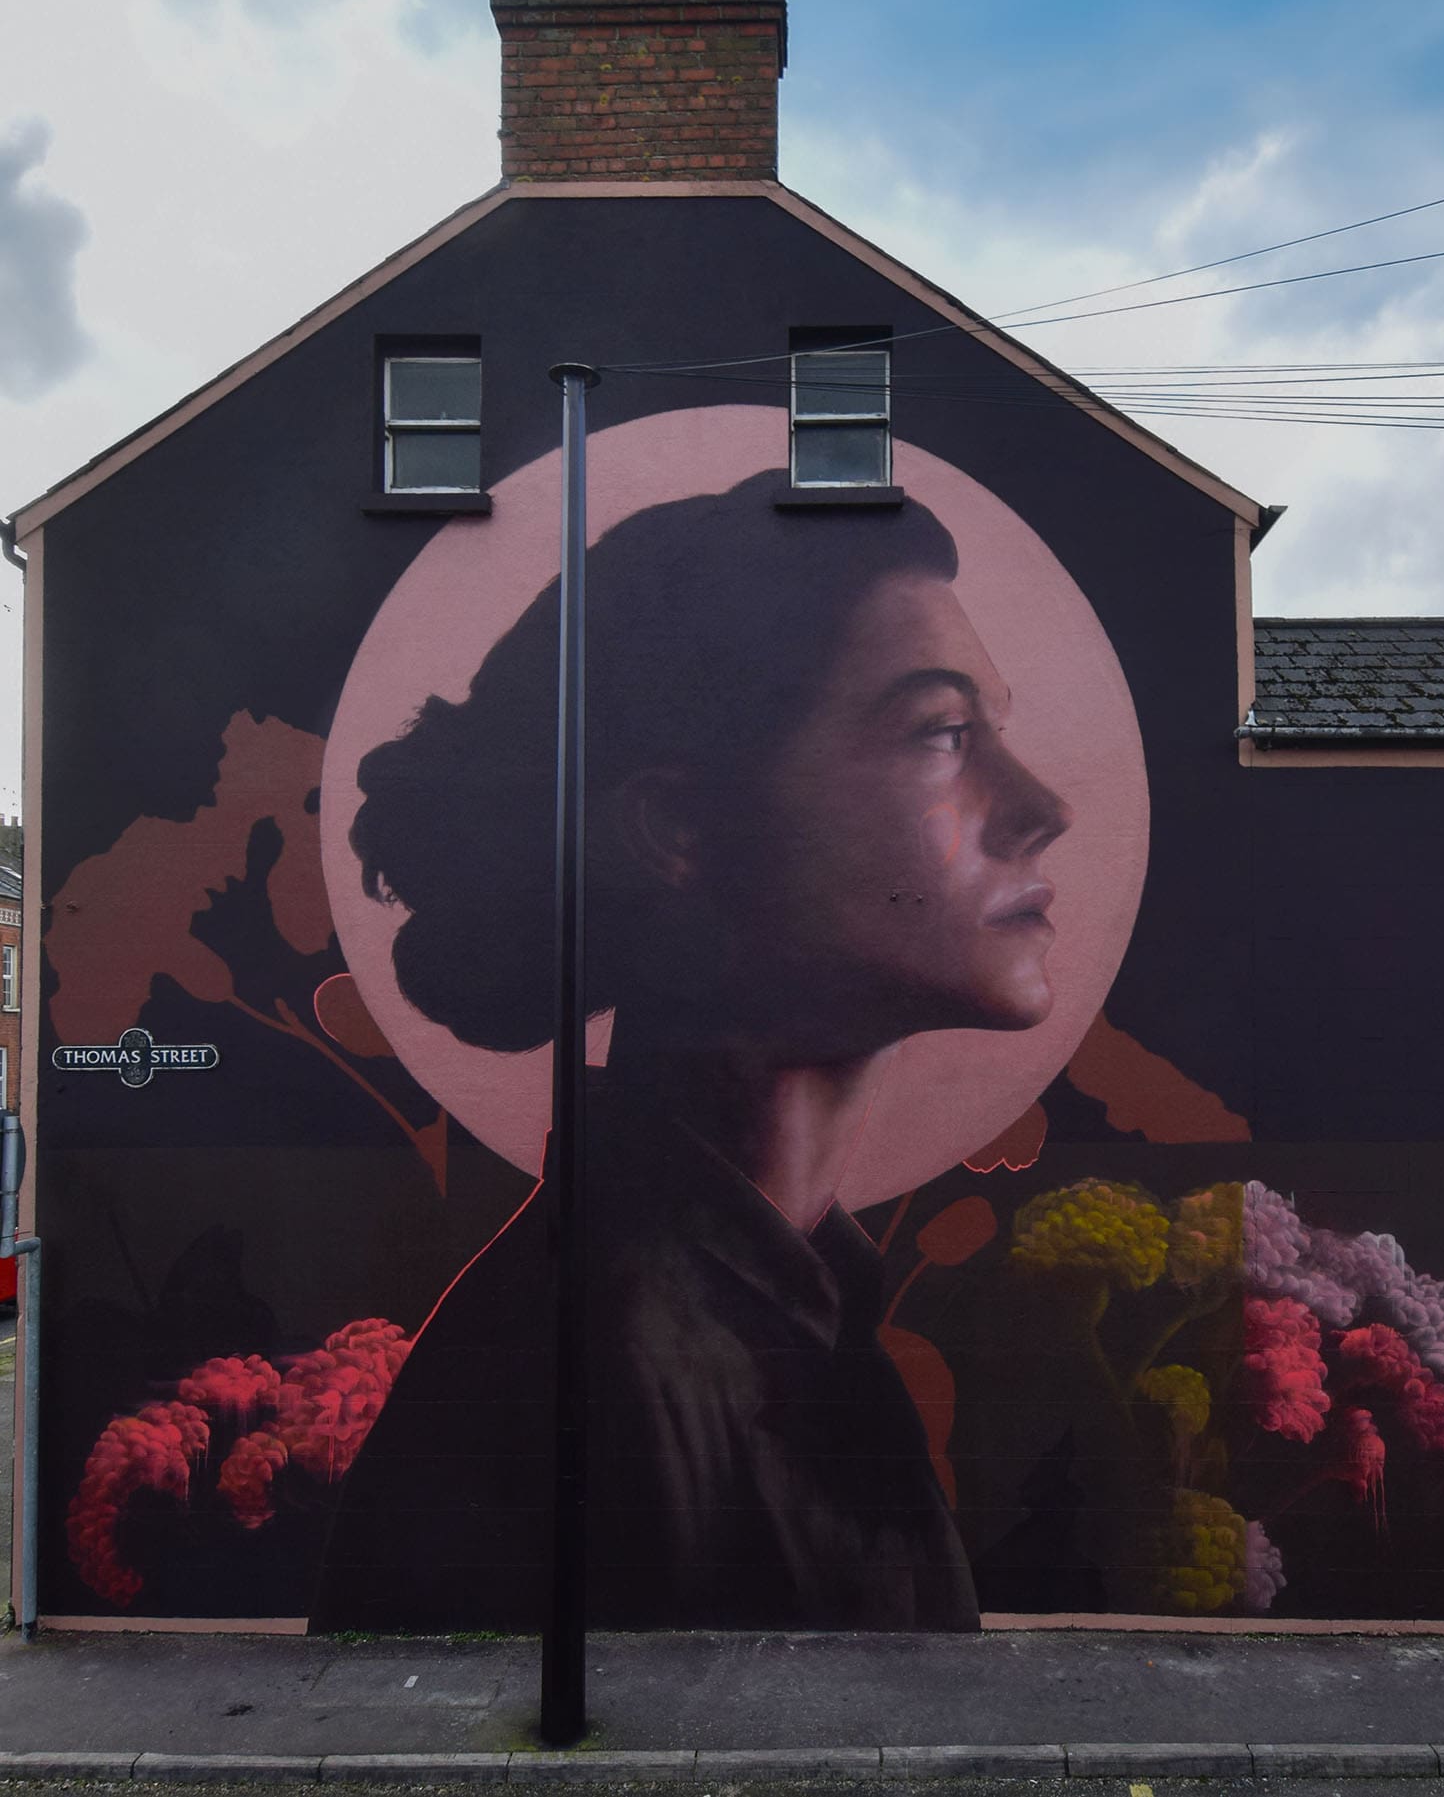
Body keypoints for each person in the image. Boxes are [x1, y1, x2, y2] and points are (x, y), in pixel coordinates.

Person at [312, 469, 1069, 1633]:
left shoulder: (792, 1306)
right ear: (678, 828)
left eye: (993, 730)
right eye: (941, 733)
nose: (1040, 806)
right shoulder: (601, 1360)